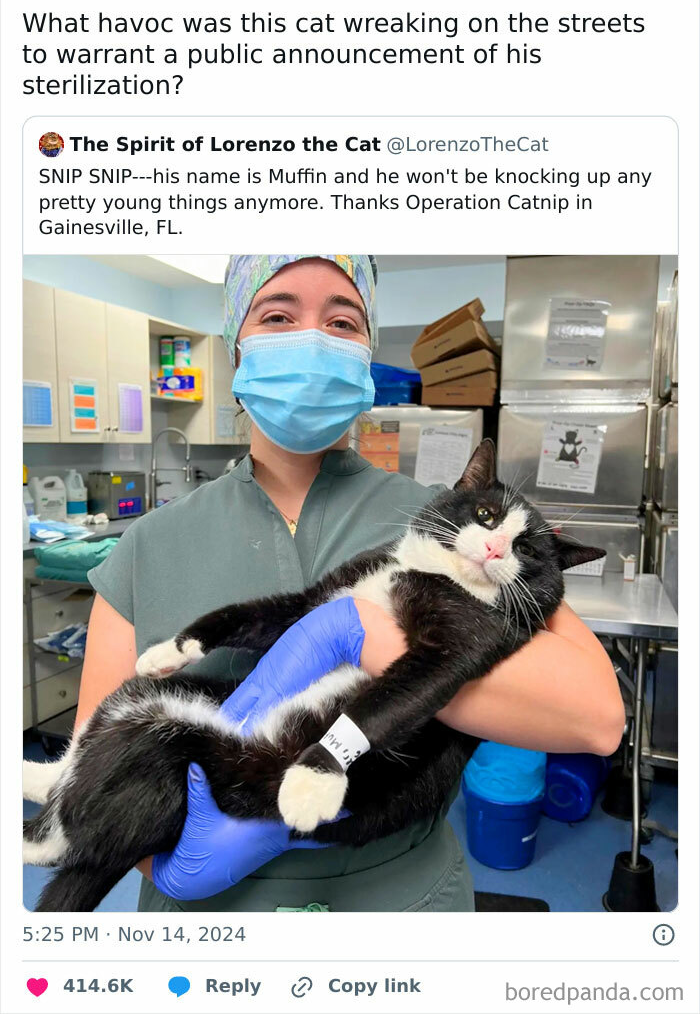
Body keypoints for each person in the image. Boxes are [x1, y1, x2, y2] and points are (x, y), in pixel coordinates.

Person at [79, 254, 624, 913]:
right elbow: (94, 776)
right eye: (278, 315)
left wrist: (368, 637)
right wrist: (170, 856)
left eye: (342, 320)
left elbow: (596, 718)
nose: (312, 339)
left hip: (403, 909)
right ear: (237, 348)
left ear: (367, 353)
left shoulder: (447, 522)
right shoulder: (147, 546)